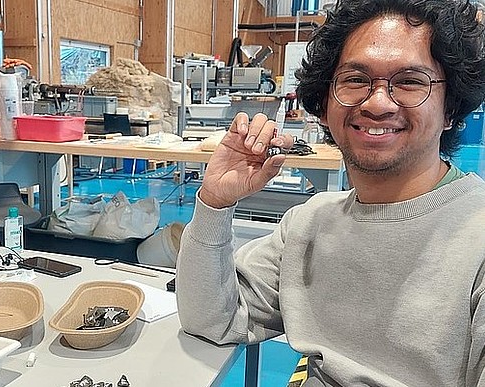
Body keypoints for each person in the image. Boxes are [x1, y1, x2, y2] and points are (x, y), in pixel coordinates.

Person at [176, 0, 485, 385]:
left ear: (451, 108)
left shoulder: (477, 240)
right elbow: (212, 320)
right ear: (323, 106)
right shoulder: (309, 223)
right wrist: (214, 204)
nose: (377, 103)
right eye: (355, 79)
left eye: (409, 81)